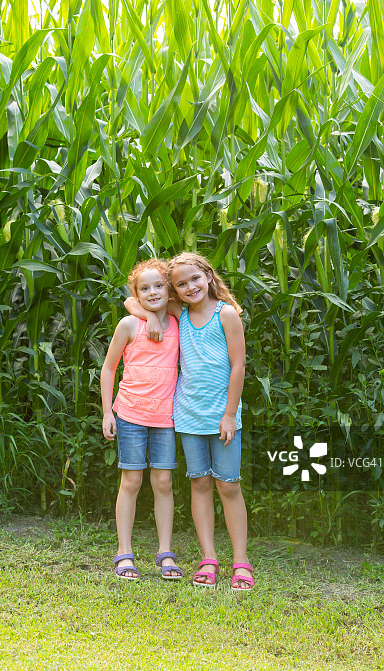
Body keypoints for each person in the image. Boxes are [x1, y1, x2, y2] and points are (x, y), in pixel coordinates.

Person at [125, 252, 254, 591]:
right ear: (175, 292)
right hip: (188, 415)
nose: (189, 286)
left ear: (208, 276)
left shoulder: (226, 315)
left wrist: (229, 414)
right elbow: (131, 299)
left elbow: (238, 366)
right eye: (180, 284)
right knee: (199, 484)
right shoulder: (179, 313)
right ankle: (208, 557)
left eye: (194, 279)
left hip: (223, 415)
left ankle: (240, 561)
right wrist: (149, 319)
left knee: (228, 485)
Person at [101, 259, 183, 581]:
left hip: (165, 416)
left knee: (163, 483)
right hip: (131, 414)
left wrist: (153, 312)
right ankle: (124, 552)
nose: (152, 292)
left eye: (159, 286)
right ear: (136, 293)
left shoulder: (177, 319)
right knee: (131, 482)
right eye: (144, 288)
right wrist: (108, 411)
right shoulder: (128, 325)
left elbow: (170, 303)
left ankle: (165, 553)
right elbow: (109, 368)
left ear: (169, 289)